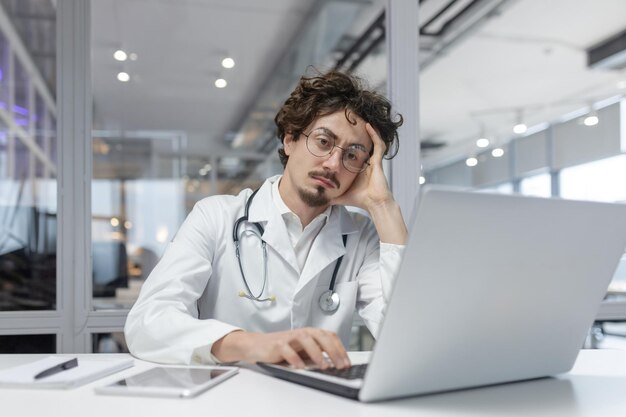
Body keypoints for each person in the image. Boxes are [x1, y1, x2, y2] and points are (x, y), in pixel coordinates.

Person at [125, 69, 407, 370]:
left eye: (353, 155)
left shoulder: (360, 236)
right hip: (228, 399)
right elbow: (147, 322)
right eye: (324, 141)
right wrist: (254, 345)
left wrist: (382, 206)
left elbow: (406, 338)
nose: (333, 164)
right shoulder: (217, 216)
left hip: (318, 402)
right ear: (290, 140)